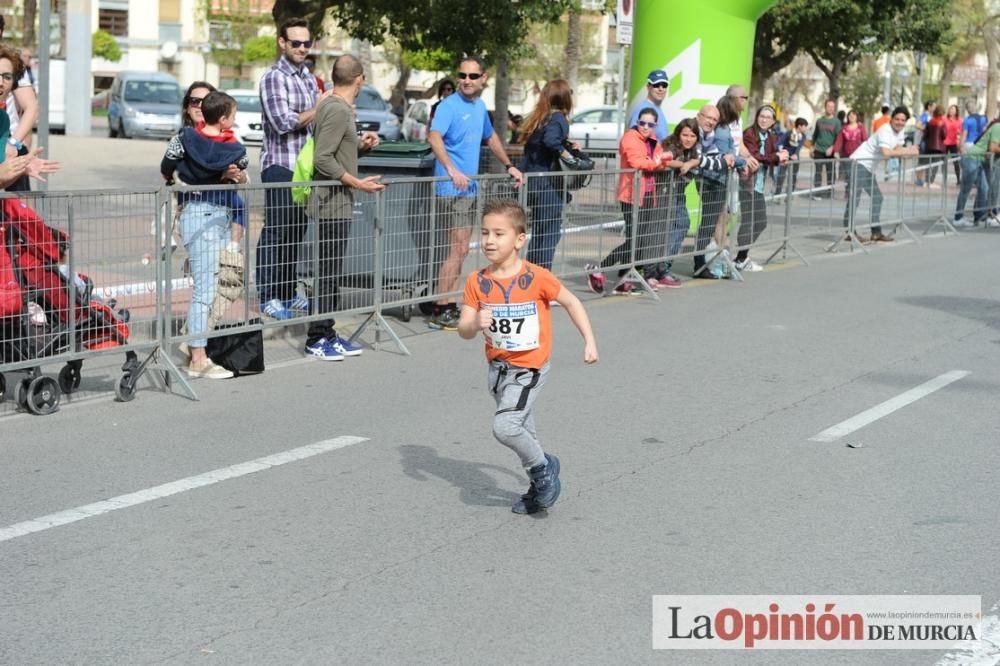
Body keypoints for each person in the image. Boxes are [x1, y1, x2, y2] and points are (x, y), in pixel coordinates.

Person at [456, 199, 598, 515]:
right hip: (497, 369)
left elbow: (573, 303)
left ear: (519, 239)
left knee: (506, 427)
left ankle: (542, 471)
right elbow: (463, 329)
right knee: (524, 431)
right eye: (485, 233)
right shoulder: (477, 281)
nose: (490, 241)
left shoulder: (537, 277)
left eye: (499, 233)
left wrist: (589, 342)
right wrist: (474, 323)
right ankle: (539, 486)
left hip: (529, 367)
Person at [426, 55, 524, 330]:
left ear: (483, 79)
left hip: (468, 188)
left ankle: (447, 305)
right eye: (462, 75)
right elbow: (434, 137)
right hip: (451, 188)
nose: (466, 81)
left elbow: (490, 137)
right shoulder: (448, 106)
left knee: (461, 249)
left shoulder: (479, 106)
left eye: (472, 76)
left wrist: (509, 166)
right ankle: (440, 307)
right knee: (457, 248)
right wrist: (451, 170)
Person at [161, 91, 251, 379]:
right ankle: (198, 357)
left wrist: (183, 177)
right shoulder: (234, 146)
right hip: (216, 216)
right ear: (224, 119)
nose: (234, 120)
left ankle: (197, 348)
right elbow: (243, 172)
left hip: (196, 213)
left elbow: (167, 166)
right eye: (233, 115)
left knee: (208, 288)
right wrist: (229, 177)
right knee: (206, 291)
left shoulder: (183, 139)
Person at [304, 54, 383, 361]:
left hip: (337, 201)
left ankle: (327, 332)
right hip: (331, 203)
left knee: (331, 271)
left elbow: (336, 151)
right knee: (327, 272)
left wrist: (361, 145)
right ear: (360, 78)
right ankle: (316, 337)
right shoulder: (337, 109)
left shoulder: (332, 105)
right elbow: (322, 159)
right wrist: (357, 182)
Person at [255, 17, 332, 322]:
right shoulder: (274, 77)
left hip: (305, 168)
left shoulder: (308, 78)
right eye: (296, 43)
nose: (302, 48)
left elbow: (315, 123)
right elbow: (283, 122)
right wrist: (320, 107)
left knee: (296, 231)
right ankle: (267, 296)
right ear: (282, 43)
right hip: (280, 165)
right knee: (276, 231)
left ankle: (287, 292)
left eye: (306, 43)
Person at [585, 107, 671, 294]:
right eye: (642, 123)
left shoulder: (654, 141)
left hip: (649, 195)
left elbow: (662, 161)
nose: (645, 127)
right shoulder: (630, 138)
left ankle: (624, 279)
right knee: (634, 241)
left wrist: (658, 162)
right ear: (637, 122)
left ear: (655, 125)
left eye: (650, 124)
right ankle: (598, 268)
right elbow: (637, 163)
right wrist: (656, 162)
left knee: (640, 241)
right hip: (631, 196)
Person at [517, 79, 577, 269]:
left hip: (533, 181)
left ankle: (531, 274)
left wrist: (565, 144)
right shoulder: (558, 118)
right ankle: (542, 279)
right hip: (548, 184)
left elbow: (543, 143)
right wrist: (567, 154)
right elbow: (551, 141)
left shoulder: (540, 118)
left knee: (540, 232)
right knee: (549, 233)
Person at [842, 106, 918, 242]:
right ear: (892, 118)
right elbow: (886, 152)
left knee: (878, 197)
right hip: (857, 163)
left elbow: (898, 150)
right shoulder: (885, 130)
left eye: (903, 120)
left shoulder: (900, 132)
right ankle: (849, 232)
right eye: (897, 119)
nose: (900, 122)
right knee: (855, 198)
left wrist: (909, 150)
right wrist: (908, 151)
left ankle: (876, 232)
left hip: (869, 167)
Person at [650, 118, 702, 288]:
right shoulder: (671, 146)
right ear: (678, 134)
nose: (688, 139)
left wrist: (691, 163)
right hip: (663, 193)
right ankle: (655, 269)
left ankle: (663, 267)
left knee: (681, 224)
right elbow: (664, 160)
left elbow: (698, 159)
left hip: (678, 193)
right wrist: (683, 164)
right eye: (685, 135)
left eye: (692, 136)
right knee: (660, 231)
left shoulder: (692, 151)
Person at [737, 105, 788, 272]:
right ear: (757, 117)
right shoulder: (749, 134)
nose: (764, 119)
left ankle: (741, 256)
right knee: (749, 221)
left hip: (759, 185)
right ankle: (740, 258)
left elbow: (772, 156)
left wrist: (782, 157)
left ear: (773, 121)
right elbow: (756, 156)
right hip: (746, 184)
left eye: (768, 117)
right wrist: (776, 157)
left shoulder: (770, 136)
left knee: (760, 223)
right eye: (761, 116)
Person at [0, 44, 58, 188]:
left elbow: (1, 181)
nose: (0, 83)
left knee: (25, 209)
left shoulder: (3, 120)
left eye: (7, 77)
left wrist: (21, 170)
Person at [690, 104, 736, 277]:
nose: (710, 122)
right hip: (707, 182)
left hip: (710, 181)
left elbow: (714, 156)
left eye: (714, 120)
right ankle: (698, 265)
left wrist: (727, 159)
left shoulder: (709, 136)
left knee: (709, 224)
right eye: (708, 117)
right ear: (699, 116)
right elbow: (700, 159)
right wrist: (726, 161)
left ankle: (701, 264)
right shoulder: (694, 131)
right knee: (704, 224)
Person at [954, 114, 1000, 228]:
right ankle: (958, 218)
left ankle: (980, 216)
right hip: (972, 158)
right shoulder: (998, 127)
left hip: (979, 160)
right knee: (966, 189)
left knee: (984, 189)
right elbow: (993, 148)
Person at [628, 69, 670, 142]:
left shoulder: (657, 108)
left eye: (664, 85)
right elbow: (633, 141)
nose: (661, 89)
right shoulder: (642, 110)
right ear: (648, 87)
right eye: (656, 85)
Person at [810, 99, 840, 199]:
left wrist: (832, 149)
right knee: (818, 172)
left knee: (830, 173)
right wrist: (811, 147)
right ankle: (817, 192)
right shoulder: (819, 121)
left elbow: (838, 139)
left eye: (832, 107)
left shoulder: (836, 122)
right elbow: (815, 136)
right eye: (828, 106)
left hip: (830, 152)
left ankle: (829, 192)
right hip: (818, 150)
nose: (830, 108)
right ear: (825, 107)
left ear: (834, 108)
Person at [775, 117, 808, 196]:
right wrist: (780, 152)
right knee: (781, 176)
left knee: (793, 176)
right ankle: (777, 194)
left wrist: (796, 154)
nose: (806, 128)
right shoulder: (789, 133)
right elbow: (779, 143)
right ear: (799, 126)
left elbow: (799, 147)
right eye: (805, 126)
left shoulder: (803, 136)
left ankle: (790, 194)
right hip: (785, 157)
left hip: (795, 159)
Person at [923, 105, 946, 187]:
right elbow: (944, 135)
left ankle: (926, 180)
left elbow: (925, 134)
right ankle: (931, 181)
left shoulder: (930, 122)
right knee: (935, 164)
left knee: (928, 163)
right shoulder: (942, 123)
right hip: (939, 147)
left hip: (929, 145)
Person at [915, 100, 936, 186]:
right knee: (922, 160)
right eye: (934, 106)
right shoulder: (925, 115)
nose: (935, 108)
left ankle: (923, 179)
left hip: (928, 141)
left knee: (926, 160)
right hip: (923, 141)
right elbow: (917, 125)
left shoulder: (930, 116)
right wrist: (926, 130)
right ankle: (919, 179)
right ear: (929, 107)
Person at [943, 104, 963, 183]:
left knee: (955, 161)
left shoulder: (959, 120)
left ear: (956, 111)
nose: (951, 111)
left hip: (953, 143)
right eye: (950, 109)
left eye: (953, 109)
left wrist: (959, 136)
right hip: (945, 143)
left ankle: (958, 179)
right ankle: (944, 179)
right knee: (943, 161)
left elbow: (961, 131)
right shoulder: (944, 119)